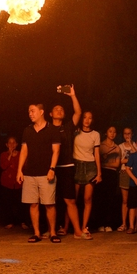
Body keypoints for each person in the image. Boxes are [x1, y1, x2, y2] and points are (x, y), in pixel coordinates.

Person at [16, 103, 61, 243]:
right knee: (33, 204)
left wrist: (52, 168)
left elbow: (56, 151)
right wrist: (20, 170)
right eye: (29, 111)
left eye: (33, 111)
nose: (30, 113)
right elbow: (24, 151)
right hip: (30, 173)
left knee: (49, 204)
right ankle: (37, 233)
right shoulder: (27, 130)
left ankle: (53, 232)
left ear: (41, 112)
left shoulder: (52, 129)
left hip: (46, 173)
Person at [50, 86, 89, 240]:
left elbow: (78, 113)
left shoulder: (68, 127)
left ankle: (77, 231)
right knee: (49, 201)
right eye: (56, 109)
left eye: (61, 109)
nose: (59, 111)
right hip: (50, 169)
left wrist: (73, 95)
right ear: (50, 114)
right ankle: (51, 230)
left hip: (66, 167)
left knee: (70, 200)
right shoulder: (46, 129)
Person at [72, 111, 101, 234]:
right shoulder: (75, 132)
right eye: (85, 117)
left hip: (90, 167)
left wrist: (99, 173)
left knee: (87, 198)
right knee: (72, 199)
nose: (87, 120)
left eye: (90, 118)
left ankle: (84, 227)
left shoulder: (95, 134)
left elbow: (97, 154)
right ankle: (70, 227)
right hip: (77, 165)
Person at [97, 126, 121, 232]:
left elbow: (117, 164)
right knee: (101, 199)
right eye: (110, 131)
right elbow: (98, 162)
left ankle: (108, 223)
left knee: (111, 199)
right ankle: (100, 223)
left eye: (114, 132)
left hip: (112, 174)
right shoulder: (101, 146)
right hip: (102, 173)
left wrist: (106, 162)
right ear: (106, 133)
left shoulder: (117, 148)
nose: (112, 134)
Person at [117, 127, 137, 231]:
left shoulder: (135, 145)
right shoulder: (120, 146)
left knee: (134, 200)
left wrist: (130, 144)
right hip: (124, 173)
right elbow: (120, 161)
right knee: (125, 200)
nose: (127, 136)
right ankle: (124, 223)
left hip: (134, 173)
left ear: (132, 134)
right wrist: (129, 160)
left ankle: (135, 225)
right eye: (125, 134)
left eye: (129, 133)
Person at [0, 136, 22, 229]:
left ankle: (22, 221)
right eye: (10, 143)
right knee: (8, 203)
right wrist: (10, 155)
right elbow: (3, 166)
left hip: (18, 182)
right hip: (6, 182)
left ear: (16, 144)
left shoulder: (21, 154)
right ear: (6, 144)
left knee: (20, 203)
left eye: (14, 142)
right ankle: (9, 221)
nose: (12, 144)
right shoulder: (3, 154)